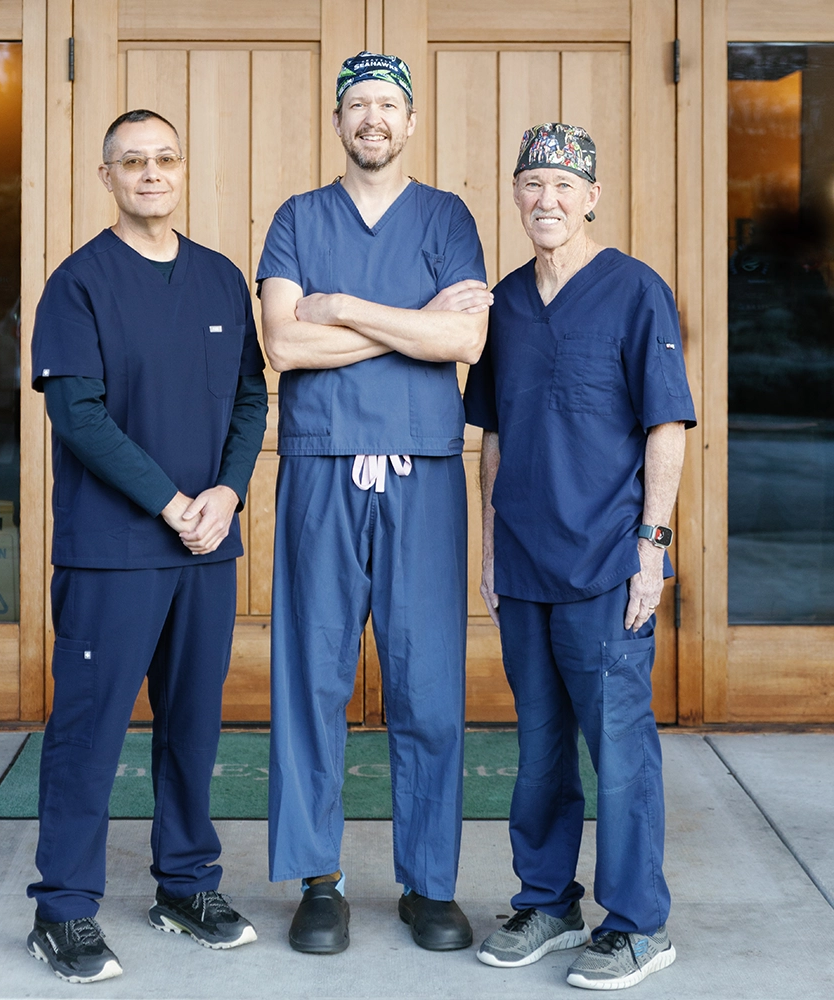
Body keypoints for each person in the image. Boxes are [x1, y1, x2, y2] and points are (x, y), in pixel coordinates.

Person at [256, 51, 493, 955]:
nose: (373, 119)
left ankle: (429, 882)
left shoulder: (446, 216)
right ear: (338, 120)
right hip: (320, 466)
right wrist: (410, 323)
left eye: (388, 105)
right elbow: (284, 345)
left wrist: (346, 308)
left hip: (425, 469)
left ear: (411, 121)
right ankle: (319, 879)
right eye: (358, 104)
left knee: (428, 678)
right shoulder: (296, 218)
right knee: (311, 675)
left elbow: (465, 335)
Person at [25, 109, 267, 983]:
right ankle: (62, 909)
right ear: (108, 177)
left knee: (193, 729)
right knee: (89, 732)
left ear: (183, 169)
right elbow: (77, 413)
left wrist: (227, 493)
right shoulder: (78, 283)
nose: (152, 174)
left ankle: (186, 882)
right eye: (133, 162)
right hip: (113, 551)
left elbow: (250, 401)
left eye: (165, 159)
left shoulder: (218, 279)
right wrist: (172, 501)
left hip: (206, 546)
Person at [463, 122, 696, 990]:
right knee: (538, 744)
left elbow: (665, 425)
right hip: (523, 564)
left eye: (564, 186)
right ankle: (548, 901)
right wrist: (489, 549)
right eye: (531, 184)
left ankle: (638, 925)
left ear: (592, 195)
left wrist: (652, 547)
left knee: (620, 746)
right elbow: (488, 438)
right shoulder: (507, 301)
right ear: (516, 195)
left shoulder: (636, 292)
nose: (546, 200)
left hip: (607, 563)